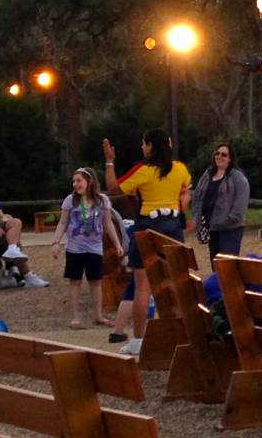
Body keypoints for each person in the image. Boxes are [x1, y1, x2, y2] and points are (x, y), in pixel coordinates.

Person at [103, 129, 190, 355]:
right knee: (174, 282)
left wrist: (110, 161)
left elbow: (113, 188)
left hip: (149, 226)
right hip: (173, 226)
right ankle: (181, 333)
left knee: (143, 286)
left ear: (150, 146)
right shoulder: (179, 168)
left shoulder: (144, 170)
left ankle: (140, 340)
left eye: (144, 144)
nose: (142, 148)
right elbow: (185, 189)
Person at [54, 168, 123, 332]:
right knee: (75, 281)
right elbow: (63, 223)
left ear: (89, 182)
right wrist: (56, 242)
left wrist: (117, 244)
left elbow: (108, 223)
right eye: (74, 181)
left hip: (95, 247)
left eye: (79, 180)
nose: (75, 184)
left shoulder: (102, 200)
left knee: (96, 281)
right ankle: (75, 317)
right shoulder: (70, 200)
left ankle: (98, 315)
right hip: (75, 248)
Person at [187, 142, 251, 261]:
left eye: (224, 155)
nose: (219, 156)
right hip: (211, 228)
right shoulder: (208, 174)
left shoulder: (238, 178)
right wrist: (198, 217)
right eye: (217, 153)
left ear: (230, 159)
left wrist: (230, 219)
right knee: (215, 264)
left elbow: (240, 203)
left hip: (230, 229)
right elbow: (197, 196)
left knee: (227, 265)